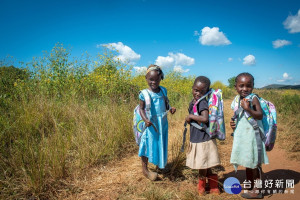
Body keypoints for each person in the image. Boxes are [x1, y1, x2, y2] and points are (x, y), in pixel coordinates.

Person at [230, 72, 269, 199]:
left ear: (253, 86)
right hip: (243, 136)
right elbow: (239, 117)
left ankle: (257, 191)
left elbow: (259, 115)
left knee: (255, 163)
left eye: (248, 86)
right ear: (235, 86)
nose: (245, 89)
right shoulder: (236, 100)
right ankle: (250, 185)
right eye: (241, 86)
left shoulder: (253, 98)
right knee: (247, 161)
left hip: (253, 136)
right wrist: (233, 124)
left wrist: (248, 109)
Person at [138, 64, 176, 181]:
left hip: (162, 122)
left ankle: (160, 165)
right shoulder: (144, 93)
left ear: (161, 78)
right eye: (151, 79)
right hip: (150, 123)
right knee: (147, 143)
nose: (153, 82)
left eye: (156, 79)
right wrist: (145, 120)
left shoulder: (163, 90)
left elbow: (166, 104)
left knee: (160, 142)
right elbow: (141, 108)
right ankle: (145, 169)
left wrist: (170, 109)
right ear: (146, 78)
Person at [185, 76, 221, 196]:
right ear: (192, 88)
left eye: (201, 91)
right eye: (196, 90)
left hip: (202, 138)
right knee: (206, 163)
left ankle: (202, 187)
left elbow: (205, 118)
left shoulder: (202, 102)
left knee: (202, 164)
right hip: (200, 136)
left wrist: (190, 117)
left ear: (207, 91)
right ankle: (214, 187)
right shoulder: (195, 101)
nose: (198, 93)